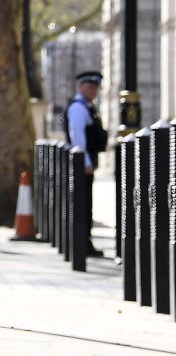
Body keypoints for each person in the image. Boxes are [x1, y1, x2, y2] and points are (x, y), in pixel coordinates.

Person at [64, 70, 108, 257]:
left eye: (95, 88)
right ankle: (82, 244)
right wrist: (86, 162)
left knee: (85, 204)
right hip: (82, 163)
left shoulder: (87, 107)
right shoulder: (78, 108)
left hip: (84, 162)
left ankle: (84, 242)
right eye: (89, 87)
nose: (93, 91)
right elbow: (78, 138)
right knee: (82, 204)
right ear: (81, 87)